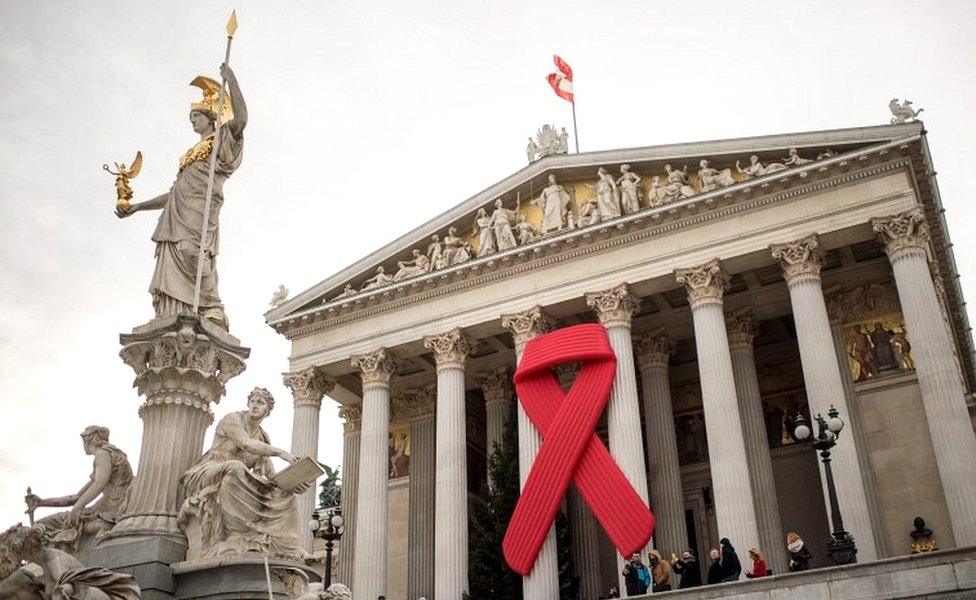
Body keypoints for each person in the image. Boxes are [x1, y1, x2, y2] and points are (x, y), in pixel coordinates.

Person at [116, 64, 247, 329]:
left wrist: (231, 80)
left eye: (196, 116)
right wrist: (137, 207)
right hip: (177, 212)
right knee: (175, 253)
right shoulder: (190, 154)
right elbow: (175, 193)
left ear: (211, 117)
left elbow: (241, 120)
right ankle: (177, 311)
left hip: (200, 208)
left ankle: (212, 307)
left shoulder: (220, 142)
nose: (192, 121)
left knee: (194, 251)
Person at [178, 387, 308, 561]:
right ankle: (236, 534)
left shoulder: (262, 437)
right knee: (236, 466)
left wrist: (292, 483)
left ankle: (290, 547)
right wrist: (281, 453)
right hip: (209, 470)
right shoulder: (232, 419)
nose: (254, 406)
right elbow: (245, 444)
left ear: (267, 411)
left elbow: (271, 476)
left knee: (286, 495)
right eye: (252, 401)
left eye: (260, 403)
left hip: (236, 475)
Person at [25, 426, 133, 553]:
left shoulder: (102, 454)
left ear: (92, 439)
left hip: (108, 511)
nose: (83, 444)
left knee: (43, 526)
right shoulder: (108, 456)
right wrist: (42, 502)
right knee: (44, 525)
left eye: (84, 439)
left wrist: (76, 509)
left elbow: (99, 484)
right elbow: (77, 497)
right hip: (103, 508)